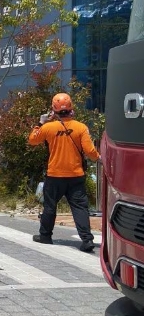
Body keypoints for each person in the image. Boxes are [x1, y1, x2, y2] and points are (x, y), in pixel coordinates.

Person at [28, 92, 100, 253]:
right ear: (71, 109)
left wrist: (40, 123)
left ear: (53, 110)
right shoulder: (81, 127)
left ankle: (45, 236)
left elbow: (32, 140)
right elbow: (90, 151)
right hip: (76, 175)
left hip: (54, 175)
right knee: (80, 207)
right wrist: (98, 158)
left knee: (50, 206)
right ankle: (87, 240)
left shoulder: (48, 128)